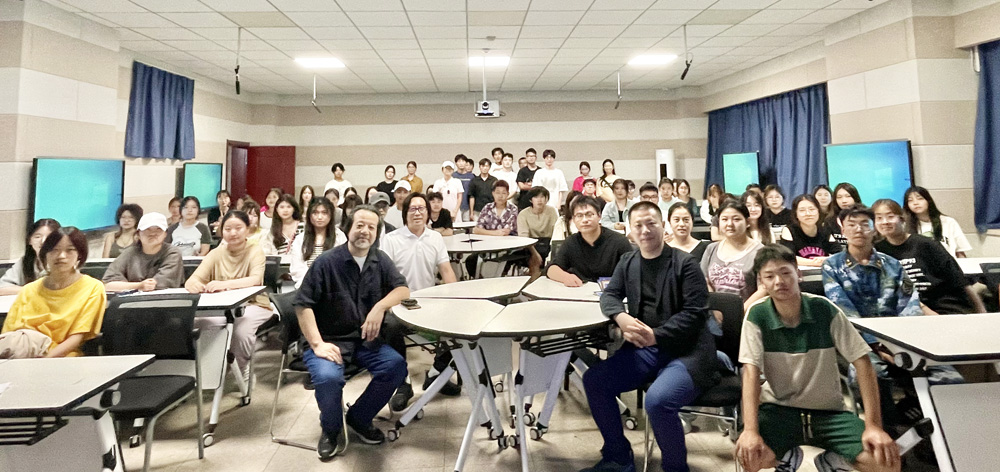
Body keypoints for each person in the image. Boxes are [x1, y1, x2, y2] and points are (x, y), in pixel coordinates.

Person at [736, 244, 900, 472]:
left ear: (798, 274)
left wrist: (873, 426)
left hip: (829, 413)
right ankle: (787, 459)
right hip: (779, 411)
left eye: (785, 272)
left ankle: (833, 462)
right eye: (770, 276)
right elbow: (750, 372)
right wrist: (750, 430)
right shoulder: (757, 315)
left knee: (887, 463)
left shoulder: (824, 309)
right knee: (750, 457)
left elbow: (863, 363)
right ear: (761, 282)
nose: (779, 281)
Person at [580, 201, 716, 472]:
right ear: (630, 231)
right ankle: (619, 458)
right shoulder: (628, 261)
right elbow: (610, 295)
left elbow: (695, 313)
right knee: (595, 381)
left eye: (651, 223)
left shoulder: (686, 264)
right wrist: (621, 317)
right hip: (647, 349)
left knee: (657, 401)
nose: (644, 230)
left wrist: (656, 335)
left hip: (688, 350)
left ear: (663, 226)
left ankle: (675, 468)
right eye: (638, 225)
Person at [821, 205, 962, 427]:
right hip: (862, 346)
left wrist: (900, 345)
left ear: (874, 229)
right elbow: (845, 314)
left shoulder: (893, 265)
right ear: (843, 230)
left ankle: (937, 430)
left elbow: (909, 305)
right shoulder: (832, 267)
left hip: (901, 342)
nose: (858, 229)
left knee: (949, 377)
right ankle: (889, 431)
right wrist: (879, 346)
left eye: (865, 224)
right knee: (867, 376)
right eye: (852, 225)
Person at [293, 205, 409, 458]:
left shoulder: (380, 260)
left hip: (363, 341)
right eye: (360, 225)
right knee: (328, 378)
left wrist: (379, 307)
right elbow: (302, 305)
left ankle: (359, 417)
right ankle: (331, 430)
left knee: (396, 366)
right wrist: (317, 344)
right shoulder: (326, 262)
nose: (365, 231)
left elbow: (402, 290)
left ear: (377, 233)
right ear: (347, 228)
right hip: (327, 341)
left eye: (371, 227)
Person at [380, 193, 461, 411]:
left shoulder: (435, 238)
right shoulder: (391, 239)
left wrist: (459, 300)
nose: (417, 213)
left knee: (460, 324)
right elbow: (383, 277)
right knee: (389, 326)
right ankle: (402, 383)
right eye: (412, 209)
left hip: (429, 304)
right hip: (399, 304)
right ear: (405, 213)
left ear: (428, 212)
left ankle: (436, 373)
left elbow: (446, 271)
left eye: (421, 208)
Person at [186, 210, 272, 382]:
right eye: (227, 229)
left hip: (253, 304)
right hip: (222, 306)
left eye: (238, 228)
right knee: (204, 324)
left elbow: (255, 280)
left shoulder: (255, 250)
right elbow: (192, 280)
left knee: (241, 331)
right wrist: (195, 285)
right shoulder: (216, 253)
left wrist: (224, 285)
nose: (233, 233)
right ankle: (212, 372)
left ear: (248, 229)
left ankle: (241, 370)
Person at [2, 227, 106, 358]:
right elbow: (9, 333)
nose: (61, 256)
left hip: (61, 358)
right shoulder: (29, 290)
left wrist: (44, 361)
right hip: (20, 354)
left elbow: (76, 338)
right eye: (54, 250)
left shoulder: (92, 288)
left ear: (80, 254)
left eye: (70, 250)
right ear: (45, 254)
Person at [873, 199, 984, 315]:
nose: (885, 222)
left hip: (945, 306)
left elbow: (960, 280)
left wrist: (981, 312)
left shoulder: (926, 244)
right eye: (879, 218)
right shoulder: (878, 251)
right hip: (910, 310)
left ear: (902, 219)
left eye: (890, 217)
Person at [547, 196, 631, 286]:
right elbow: (552, 268)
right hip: (580, 290)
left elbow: (633, 271)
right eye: (579, 216)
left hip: (611, 291)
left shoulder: (619, 241)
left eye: (589, 214)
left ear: (599, 216)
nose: (584, 220)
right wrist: (566, 277)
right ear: (574, 220)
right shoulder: (571, 242)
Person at [702, 201, 767, 312]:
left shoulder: (760, 251)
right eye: (724, 219)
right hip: (714, 314)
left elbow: (763, 289)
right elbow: (704, 281)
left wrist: (738, 313)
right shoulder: (711, 249)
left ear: (747, 222)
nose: (730, 224)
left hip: (747, 313)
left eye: (736, 219)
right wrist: (714, 310)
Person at [103, 212, 185, 292]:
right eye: (147, 229)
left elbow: (157, 285)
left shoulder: (172, 253)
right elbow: (108, 284)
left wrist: (132, 286)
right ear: (138, 234)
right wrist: (139, 286)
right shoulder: (130, 253)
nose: (153, 233)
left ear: (165, 234)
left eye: (158, 229)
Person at [291, 197, 347, 288]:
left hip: (333, 287)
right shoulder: (300, 239)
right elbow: (297, 268)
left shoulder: (340, 237)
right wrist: (312, 282)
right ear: (309, 215)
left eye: (324, 213)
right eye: (315, 213)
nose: (319, 217)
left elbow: (343, 266)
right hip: (306, 286)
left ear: (331, 215)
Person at [903, 186, 971, 258]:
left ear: (928, 201)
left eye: (920, 198)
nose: (915, 203)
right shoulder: (905, 226)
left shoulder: (948, 222)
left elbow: (960, 252)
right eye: (910, 200)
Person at [0, 219, 61, 296]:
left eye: (49, 237)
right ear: (29, 240)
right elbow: (2, 288)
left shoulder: (66, 262)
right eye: (37, 237)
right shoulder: (26, 261)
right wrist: (33, 290)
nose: (43, 241)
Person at [779, 194, 842, 267]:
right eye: (802, 210)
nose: (808, 214)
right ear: (796, 214)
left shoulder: (825, 230)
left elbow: (839, 254)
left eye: (812, 209)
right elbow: (788, 257)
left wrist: (826, 259)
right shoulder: (789, 231)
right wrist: (816, 262)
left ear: (818, 211)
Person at [517, 186, 558, 278]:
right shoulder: (523, 214)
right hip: (530, 245)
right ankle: (534, 278)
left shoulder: (551, 211)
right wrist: (535, 253)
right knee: (532, 257)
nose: (539, 200)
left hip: (548, 243)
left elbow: (555, 231)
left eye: (542, 197)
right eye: (536, 197)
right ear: (531, 200)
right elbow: (524, 237)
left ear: (546, 199)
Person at [452, 154, 475, 221]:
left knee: (467, 226)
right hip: (455, 207)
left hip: (467, 208)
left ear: (466, 163)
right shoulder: (453, 176)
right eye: (459, 161)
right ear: (456, 163)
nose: (461, 163)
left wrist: (472, 211)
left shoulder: (471, 177)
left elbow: (472, 194)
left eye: (463, 161)